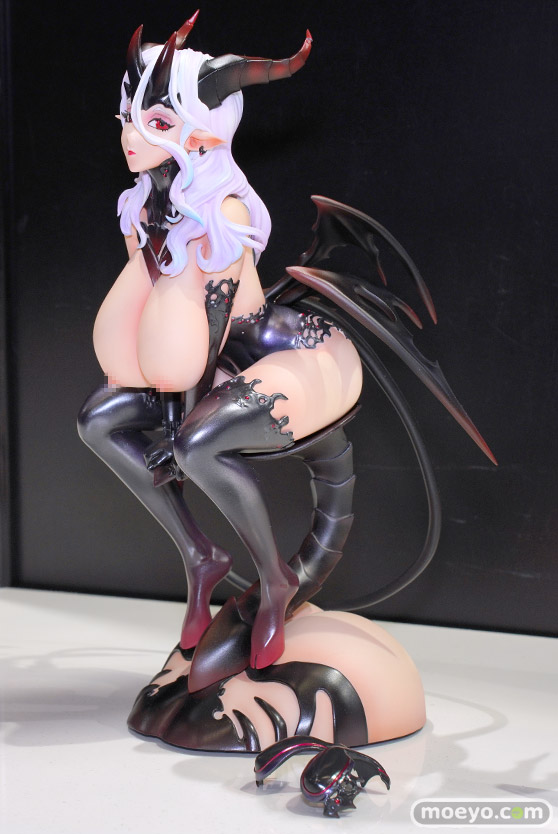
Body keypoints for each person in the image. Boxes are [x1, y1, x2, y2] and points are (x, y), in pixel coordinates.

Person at [78, 14, 363, 679]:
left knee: (194, 444)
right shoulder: (142, 207)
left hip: (285, 354)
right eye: (126, 120)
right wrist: (169, 411)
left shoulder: (222, 211)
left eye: (154, 122)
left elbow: (201, 329)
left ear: (199, 131)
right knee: (98, 421)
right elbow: (148, 326)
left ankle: (275, 579)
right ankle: (199, 554)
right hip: (208, 365)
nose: (130, 137)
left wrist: (175, 422)